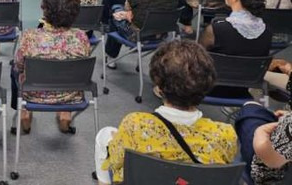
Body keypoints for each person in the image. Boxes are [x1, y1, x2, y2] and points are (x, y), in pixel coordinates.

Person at [94, 40, 237, 184]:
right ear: (207, 84)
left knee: (105, 135)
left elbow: (118, 163)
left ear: (158, 87)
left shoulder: (136, 124)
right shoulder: (225, 135)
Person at [12, 0, 91, 133]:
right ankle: (65, 112)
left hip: (33, 93)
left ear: (44, 10)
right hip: (70, 95)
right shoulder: (82, 37)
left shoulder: (29, 36)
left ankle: (24, 110)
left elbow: (19, 66)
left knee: (14, 69)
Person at [199, 0, 272, 99]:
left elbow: (196, 59)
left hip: (209, 88)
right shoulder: (267, 31)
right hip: (244, 90)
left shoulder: (215, 29)